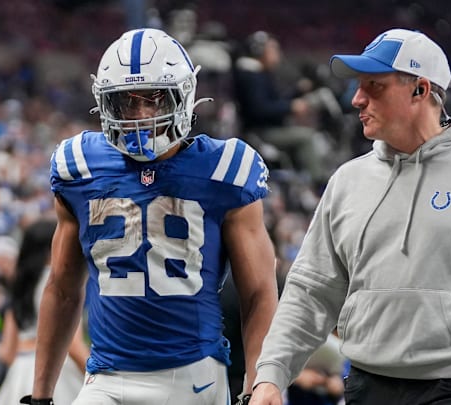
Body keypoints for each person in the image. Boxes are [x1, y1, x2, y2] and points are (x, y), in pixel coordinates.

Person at [250, 28, 451, 405]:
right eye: (359, 87)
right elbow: (310, 293)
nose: (357, 99)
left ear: (420, 90)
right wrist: (271, 376)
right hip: (366, 384)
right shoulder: (348, 180)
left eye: (374, 86)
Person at [24, 28, 278, 405]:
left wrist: (259, 382)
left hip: (192, 376)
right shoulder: (80, 168)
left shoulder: (223, 169)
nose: (140, 115)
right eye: (126, 102)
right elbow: (62, 289)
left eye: (155, 100)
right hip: (106, 375)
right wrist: (40, 396)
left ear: (183, 97)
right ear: (106, 105)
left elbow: (258, 292)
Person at [0, 218, 87, 405]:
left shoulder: (19, 286)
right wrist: (96, 376)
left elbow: (6, 352)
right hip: (58, 373)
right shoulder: (59, 285)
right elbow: (73, 345)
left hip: (20, 373)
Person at [233, 31, 328, 186]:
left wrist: (297, 92)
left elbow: (272, 101)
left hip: (266, 128)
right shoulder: (252, 76)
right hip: (261, 132)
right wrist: (291, 107)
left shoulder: (257, 73)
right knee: (307, 136)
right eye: (273, 49)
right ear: (259, 51)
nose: (277, 54)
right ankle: (318, 184)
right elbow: (259, 109)